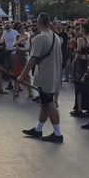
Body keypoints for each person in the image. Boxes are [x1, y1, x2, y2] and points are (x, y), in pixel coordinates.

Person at [21, 13, 64, 143]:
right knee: (45, 103)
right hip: (54, 74)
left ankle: (58, 133)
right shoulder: (55, 37)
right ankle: (38, 129)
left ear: (39, 22)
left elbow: (33, 58)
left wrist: (22, 75)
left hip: (45, 75)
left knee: (49, 103)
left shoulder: (40, 38)